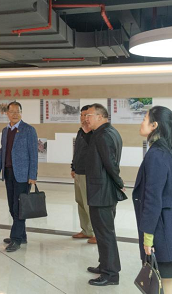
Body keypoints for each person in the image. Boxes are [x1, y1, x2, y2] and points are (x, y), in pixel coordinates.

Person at [133, 106, 172, 294]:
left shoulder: (156, 154)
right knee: (166, 283)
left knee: (164, 283)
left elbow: (153, 199)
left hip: (161, 230)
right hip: (171, 227)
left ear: (154, 125)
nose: (141, 123)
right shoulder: (170, 151)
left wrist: (148, 237)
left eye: (144, 119)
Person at [84, 103, 124, 287]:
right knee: (102, 232)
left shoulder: (104, 135)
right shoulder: (108, 132)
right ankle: (105, 265)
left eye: (89, 115)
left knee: (105, 234)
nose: (86, 118)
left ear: (100, 116)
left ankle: (111, 274)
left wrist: (119, 183)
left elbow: (110, 163)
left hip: (102, 192)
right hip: (103, 190)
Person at [0, 101, 39, 252]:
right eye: (12, 111)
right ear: (7, 113)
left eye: (18, 111)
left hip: (23, 175)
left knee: (19, 207)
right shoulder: (5, 131)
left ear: (21, 113)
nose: (15, 114)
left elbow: (34, 154)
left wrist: (33, 175)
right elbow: (2, 151)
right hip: (8, 173)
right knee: (12, 207)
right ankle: (22, 235)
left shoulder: (29, 130)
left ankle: (16, 239)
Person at [70, 105, 96, 244]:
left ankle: (97, 233)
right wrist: (73, 167)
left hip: (88, 174)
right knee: (80, 202)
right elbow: (77, 151)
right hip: (78, 172)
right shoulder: (80, 131)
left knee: (89, 204)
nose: (83, 118)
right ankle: (86, 230)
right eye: (81, 115)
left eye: (86, 115)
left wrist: (87, 131)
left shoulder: (94, 133)